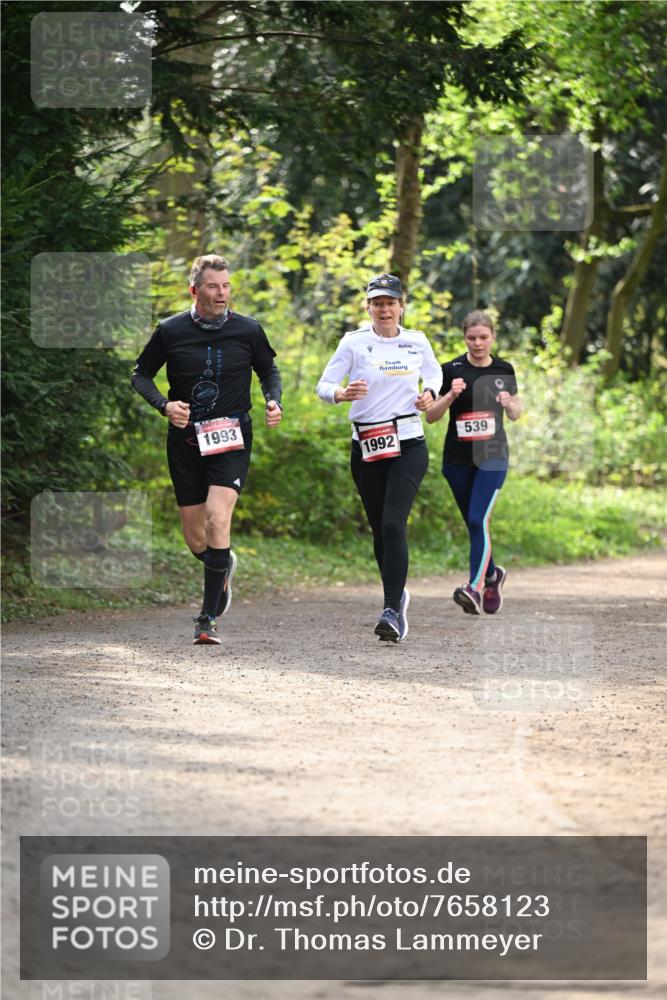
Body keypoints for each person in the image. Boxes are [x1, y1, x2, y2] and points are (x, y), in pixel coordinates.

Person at [131, 254, 283, 644]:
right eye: (213, 286)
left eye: (226, 286)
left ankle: (206, 618)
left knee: (218, 517)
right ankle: (222, 564)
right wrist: (165, 405)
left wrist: (272, 399)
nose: (222, 293)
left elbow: (269, 370)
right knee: (196, 537)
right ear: (194, 290)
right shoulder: (170, 330)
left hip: (231, 437)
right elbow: (140, 374)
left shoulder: (248, 330)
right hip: (185, 442)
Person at [316, 273, 441, 643]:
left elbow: (434, 375)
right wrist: (341, 393)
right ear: (368, 307)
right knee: (379, 530)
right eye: (377, 303)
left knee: (392, 523)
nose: (384, 309)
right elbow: (322, 385)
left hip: (408, 442)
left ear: (401, 306)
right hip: (368, 445)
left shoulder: (416, 342)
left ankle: (390, 611)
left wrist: (429, 394)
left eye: (390, 302)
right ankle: (397, 593)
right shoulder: (354, 343)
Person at [426, 310, 521, 615]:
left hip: (493, 458)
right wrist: (450, 396)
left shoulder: (504, 369)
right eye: (471, 338)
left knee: (479, 519)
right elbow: (431, 415)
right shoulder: (450, 369)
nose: (478, 343)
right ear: (464, 338)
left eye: (483, 337)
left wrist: (510, 404)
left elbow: (516, 413)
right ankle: (493, 575)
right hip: (456, 460)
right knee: (473, 522)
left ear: (493, 337)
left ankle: (474, 588)